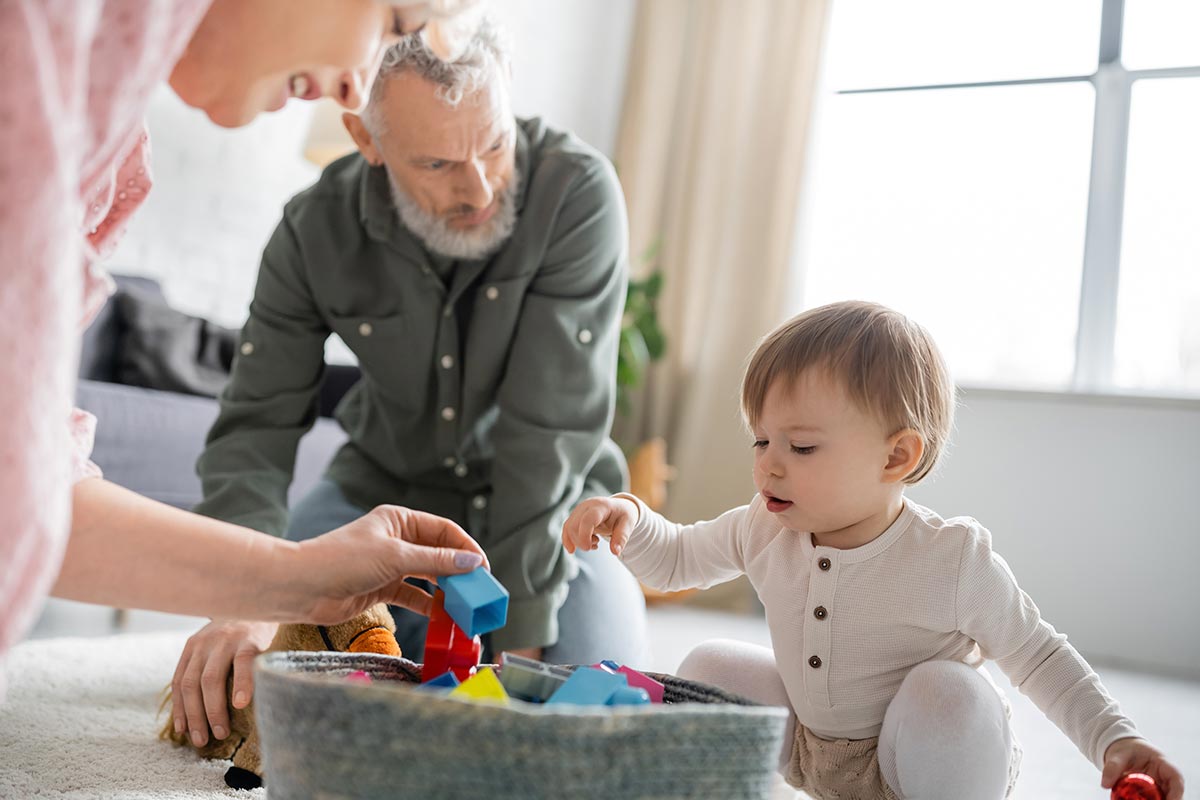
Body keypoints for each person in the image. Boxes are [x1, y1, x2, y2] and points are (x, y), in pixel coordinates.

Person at [0, 0, 491, 708]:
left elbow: (32, 489)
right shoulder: (43, 45)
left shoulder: (108, 137)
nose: (358, 86)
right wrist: (266, 591)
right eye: (395, 24)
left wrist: (296, 577)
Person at [170, 20, 647, 745]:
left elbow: (544, 436)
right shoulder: (312, 230)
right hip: (377, 502)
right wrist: (244, 594)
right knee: (265, 693)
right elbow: (255, 425)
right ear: (368, 142)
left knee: (591, 721)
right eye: (438, 163)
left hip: (554, 514)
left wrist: (516, 666)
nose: (481, 186)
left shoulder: (576, 193)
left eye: (493, 144)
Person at [561, 301, 1184, 800]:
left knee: (950, 694)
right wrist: (631, 521)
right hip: (814, 750)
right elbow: (677, 560)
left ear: (896, 457)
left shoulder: (952, 558)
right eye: (760, 441)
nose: (769, 467)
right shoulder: (765, 524)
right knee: (705, 667)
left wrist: (1115, 741)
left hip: (923, 760)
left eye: (800, 448)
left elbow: (1040, 658)